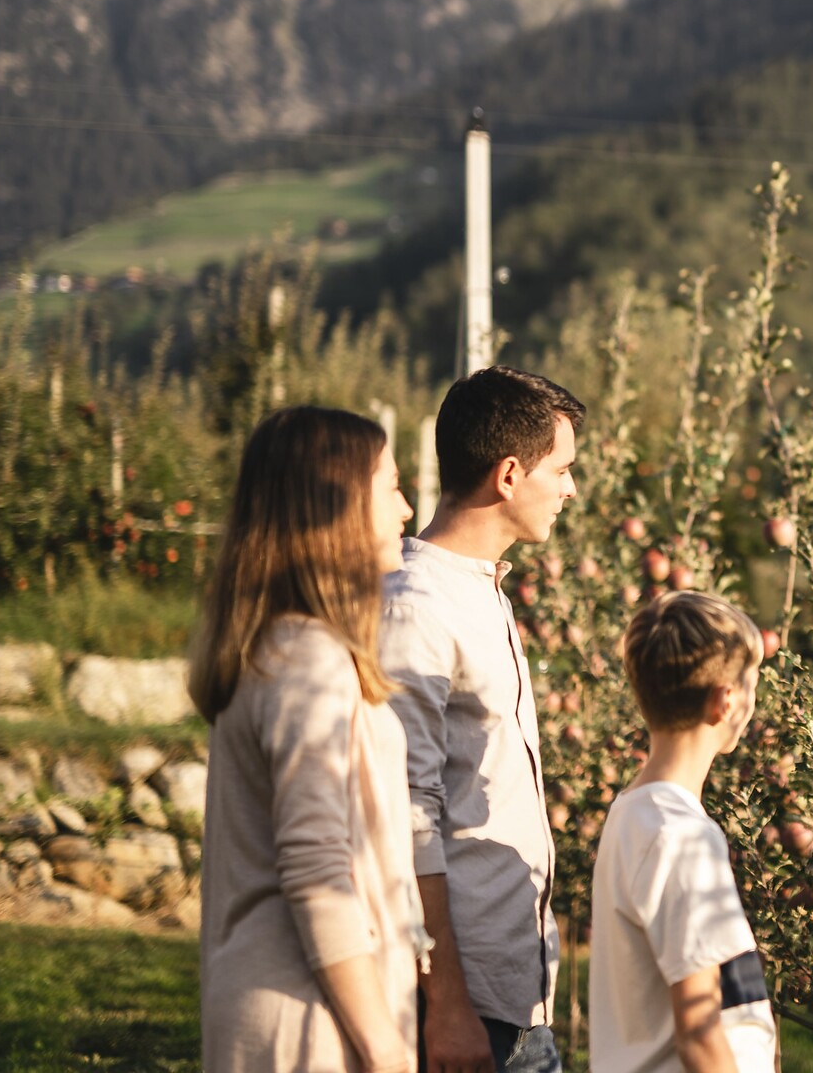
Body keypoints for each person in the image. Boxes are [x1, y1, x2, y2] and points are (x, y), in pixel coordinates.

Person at [192, 405, 426, 1073]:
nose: (407, 509)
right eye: (390, 488)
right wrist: (384, 1046)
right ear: (336, 506)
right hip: (312, 1021)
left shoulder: (283, 648)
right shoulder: (306, 658)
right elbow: (316, 866)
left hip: (303, 1005)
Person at [379, 366, 584, 1073]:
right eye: (560, 469)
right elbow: (407, 815)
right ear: (507, 475)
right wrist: (448, 1007)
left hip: (515, 994)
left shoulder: (482, 590)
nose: (569, 488)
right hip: (465, 1006)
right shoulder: (417, 608)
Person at [587, 591, 779, 1073]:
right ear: (726, 700)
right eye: (751, 683)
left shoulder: (632, 814)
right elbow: (699, 1034)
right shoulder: (682, 837)